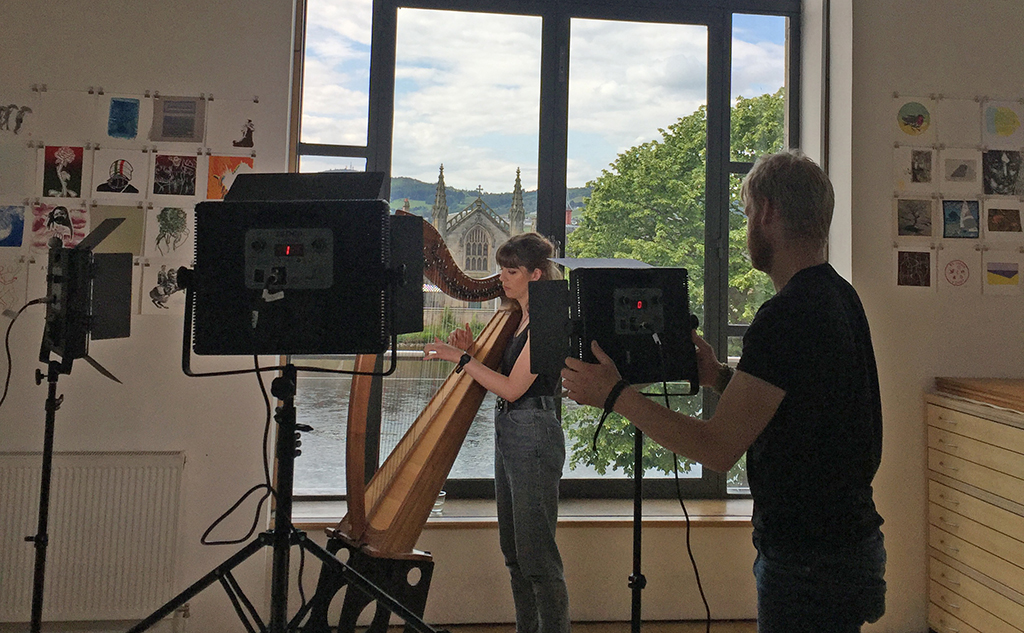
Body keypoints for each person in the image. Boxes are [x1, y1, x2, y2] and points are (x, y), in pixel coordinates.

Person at [561, 150, 886, 632]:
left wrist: (616, 396)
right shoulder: (838, 294)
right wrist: (716, 376)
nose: (747, 226)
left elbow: (716, 450)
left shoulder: (785, 316)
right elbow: (800, 409)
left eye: (748, 212)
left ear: (769, 213)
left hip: (807, 561)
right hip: (847, 543)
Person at [424, 232, 570, 633]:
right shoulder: (517, 316)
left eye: (511, 271)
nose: (500, 278)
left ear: (536, 275)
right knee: (514, 554)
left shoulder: (549, 321)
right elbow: (504, 375)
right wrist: (472, 350)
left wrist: (461, 358)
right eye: (501, 270)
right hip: (512, 429)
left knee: (538, 558)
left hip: (534, 433)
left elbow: (512, 388)